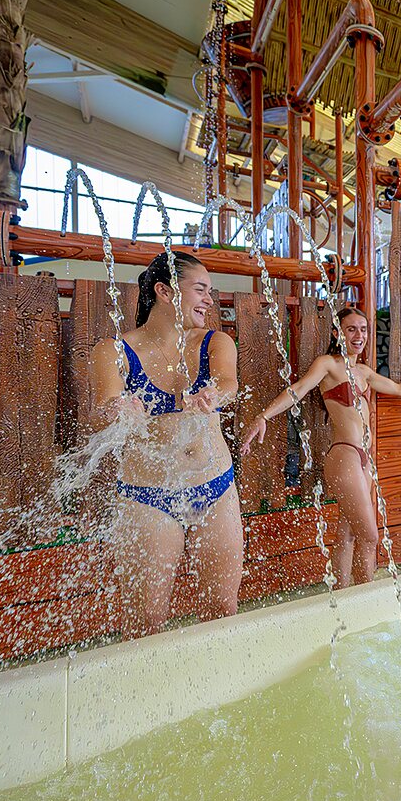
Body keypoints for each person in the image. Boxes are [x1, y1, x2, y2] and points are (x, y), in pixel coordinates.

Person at [240, 307, 401, 587]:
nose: (359, 335)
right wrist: (263, 416)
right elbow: (299, 389)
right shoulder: (328, 364)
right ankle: (367, 600)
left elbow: (398, 389)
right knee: (370, 535)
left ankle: (342, 593)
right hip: (345, 455)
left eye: (363, 330)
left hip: (365, 460)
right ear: (337, 333)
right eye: (351, 329)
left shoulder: (364, 371)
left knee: (348, 532)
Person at [90, 251, 243, 638]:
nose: (210, 300)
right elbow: (103, 406)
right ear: (164, 291)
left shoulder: (214, 341)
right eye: (200, 290)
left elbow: (228, 382)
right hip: (149, 494)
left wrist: (213, 396)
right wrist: (118, 407)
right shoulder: (113, 351)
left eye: (211, 292)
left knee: (223, 610)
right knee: (145, 626)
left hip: (215, 486)